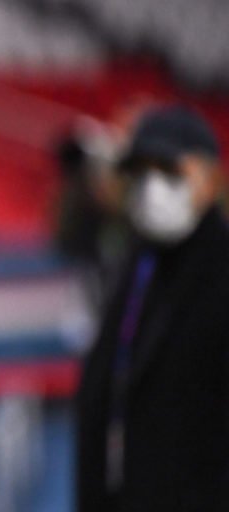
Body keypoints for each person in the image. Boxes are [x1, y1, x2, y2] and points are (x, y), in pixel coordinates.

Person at [76, 105, 229, 511]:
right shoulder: (140, 263)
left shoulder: (216, 268)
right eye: (140, 171)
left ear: (211, 179)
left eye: (169, 170)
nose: (152, 186)